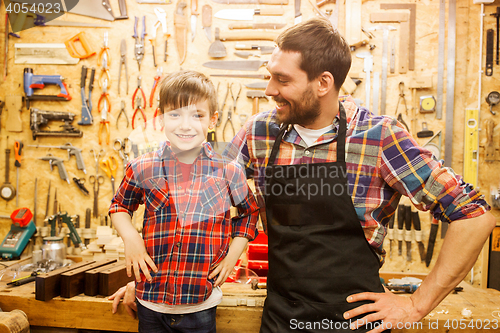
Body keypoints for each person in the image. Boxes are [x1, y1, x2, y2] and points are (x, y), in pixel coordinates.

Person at [227, 18, 496, 333]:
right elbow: (212, 192)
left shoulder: (378, 137)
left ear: (323, 83)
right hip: (282, 321)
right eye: (270, 75)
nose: (270, 89)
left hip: (355, 323)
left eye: (282, 80)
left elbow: (475, 216)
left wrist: (416, 304)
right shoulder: (260, 132)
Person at [108, 70, 259, 333]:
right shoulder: (142, 167)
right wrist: (131, 239)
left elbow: (249, 213)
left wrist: (232, 257)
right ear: (161, 118)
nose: (185, 125)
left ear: (212, 120)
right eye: (175, 114)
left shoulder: (228, 170)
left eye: (197, 115)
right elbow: (120, 206)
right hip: (150, 301)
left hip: (200, 304)